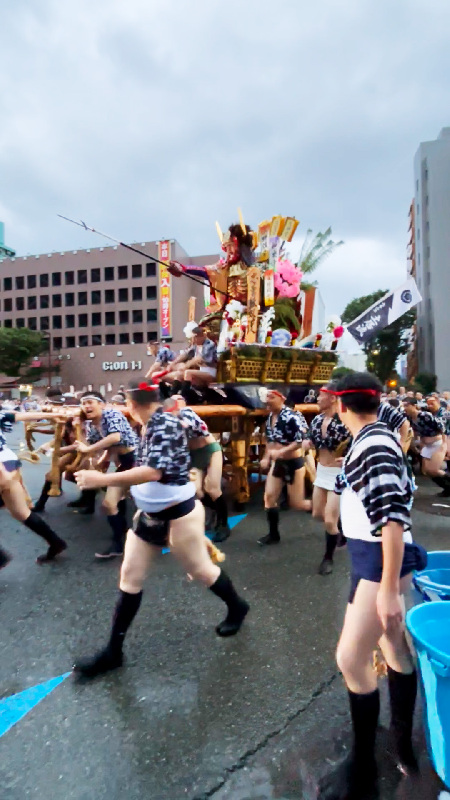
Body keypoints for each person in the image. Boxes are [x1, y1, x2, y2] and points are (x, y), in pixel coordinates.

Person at [72, 380, 249, 678]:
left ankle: (238, 606)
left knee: (203, 571)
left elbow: (155, 471)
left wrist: (99, 481)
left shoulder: (165, 423)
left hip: (179, 515)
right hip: (150, 513)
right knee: (130, 577)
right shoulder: (152, 422)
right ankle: (113, 651)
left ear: (132, 403)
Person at [318, 372, 426, 800]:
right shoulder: (376, 437)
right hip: (375, 558)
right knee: (393, 648)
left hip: (380, 561)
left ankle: (364, 765)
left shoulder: (372, 444)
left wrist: (385, 590)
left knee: (351, 658)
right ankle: (401, 750)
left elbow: (393, 519)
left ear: (342, 405)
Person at [74, 391, 139, 558]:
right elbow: (89, 444)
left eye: (90, 402)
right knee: (114, 501)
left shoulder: (111, 413)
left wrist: (90, 450)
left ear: (101, 404)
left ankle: (122, 541)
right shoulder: (90, 424)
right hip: (124, 461)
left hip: (137, 459)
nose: (87, 406)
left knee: (111, 502)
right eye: (84, 403)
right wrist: (102, 456)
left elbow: (114, 437)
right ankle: (122, 538)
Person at [0, 408, 67, 565]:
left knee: (20, 512)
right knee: (21, 512)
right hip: (9, 462)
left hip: (2, 468)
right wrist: (52, 415)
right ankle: (55, 542)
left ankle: (0, 558)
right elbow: (19, 416)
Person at [166, 395, 230, 543]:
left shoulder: (187, 413)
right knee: (196, 490)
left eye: (178, 399)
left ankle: (223, 525)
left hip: (210, 449)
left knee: (213, 488)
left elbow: (190, 425)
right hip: (194, 454)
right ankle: (215, 511)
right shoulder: (170, 418)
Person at [258, 389, 311, 546]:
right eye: (267, 397)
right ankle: (273, 534)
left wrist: (282, 451)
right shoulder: (270, 418)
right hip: (279, 463)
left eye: (271, 397)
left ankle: (323, 508)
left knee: (297, 503)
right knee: (269, 497)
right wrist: (266, 457)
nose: (267, 400)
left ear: (282, 399)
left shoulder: (291, 417)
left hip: (293, 463)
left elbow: (301, 439)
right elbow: (270, 441)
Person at [308, 382, 350, 575]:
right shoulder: (316, 420)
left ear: (333, 398)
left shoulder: (347, 420)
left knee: (329, 520)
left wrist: (350, 458)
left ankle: (328, 558)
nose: (317, 398)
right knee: (318, 514)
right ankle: (342, 528)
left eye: (320, 395)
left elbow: (360, 441)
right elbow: (310, 441)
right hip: (322, 470)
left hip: (340, 474)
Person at [403, 397, 448, 496]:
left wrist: (445, 444)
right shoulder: (408, 417)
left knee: (434, 469)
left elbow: (442, 427)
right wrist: (416, 443)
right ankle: (447, 488)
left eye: (407, 405)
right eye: (404, 406)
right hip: (427, 445)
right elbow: (414, 430)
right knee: (427, 471)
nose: (405, 408)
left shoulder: (425, 416)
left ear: (414, 406)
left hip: (438, 443)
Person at [163, 327, 218, 398]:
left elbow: (200, 358)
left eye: (195, 338)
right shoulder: (195, 345)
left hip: (209, 372)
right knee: (179, 374)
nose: (193, 340)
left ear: (201, 336)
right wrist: (173, 363)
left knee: (188, 372)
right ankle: (172, 397)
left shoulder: (209, 344)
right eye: (193, 338)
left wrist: (186, 365)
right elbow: (185, 354)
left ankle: (184, 397)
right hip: (199, 371)